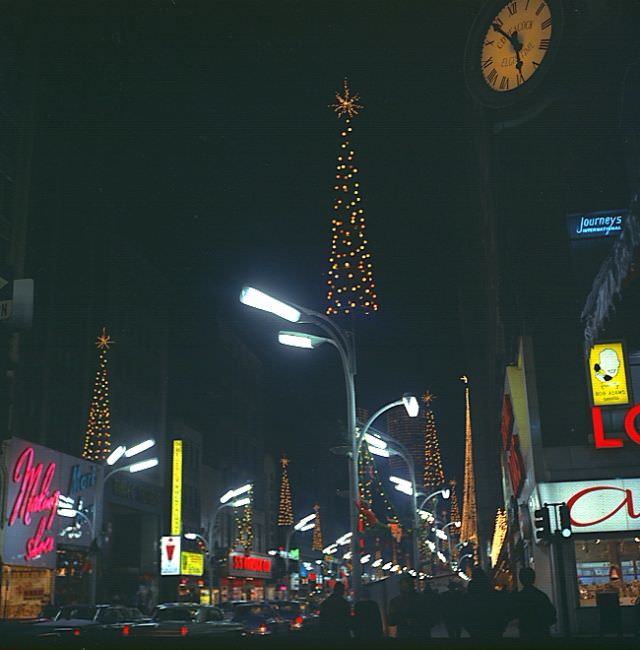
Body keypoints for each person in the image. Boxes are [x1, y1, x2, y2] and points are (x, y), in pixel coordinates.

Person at [461, 567, 508, 639]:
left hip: (476, 629)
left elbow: (464, 614)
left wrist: (470, 629)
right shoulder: (493, 594)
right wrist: (501, 628)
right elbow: (502, 611)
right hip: (494, 628)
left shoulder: (469, 596)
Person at [513, 567, 557, 639]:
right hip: (542, 631)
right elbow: (551, 613)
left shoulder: (519, 597)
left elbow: (514, 613)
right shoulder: (541, 596)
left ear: (521, 579)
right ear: (533, 578)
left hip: (527, 631)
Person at [387, 574, 426, 640]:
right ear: (400, 584)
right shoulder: (422, 599)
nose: (411, 583)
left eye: (411, 581)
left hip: (418, 635)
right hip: (407, 635)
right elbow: (391, 621)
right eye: (407, 581)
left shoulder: (422, 599)